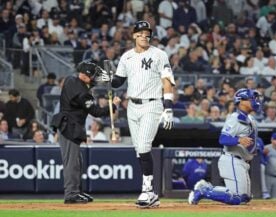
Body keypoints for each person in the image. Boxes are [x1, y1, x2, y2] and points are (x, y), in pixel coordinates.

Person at [102, 20, 175, 208]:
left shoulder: (159, 54)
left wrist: (168, 107)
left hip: (152, 105)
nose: (144, 35)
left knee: (143, 146)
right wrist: (107, 77)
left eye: (147, 33)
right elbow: (118, 81)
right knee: (139, 150)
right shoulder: (126, 57)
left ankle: (147, 191)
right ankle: (152, 195)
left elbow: (167, 81)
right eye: (140, 33)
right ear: (134, 35)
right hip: (132, 107)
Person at [51, 61, 121, 204]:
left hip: (70, 126)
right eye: (93, 75)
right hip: (69, 127)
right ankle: (71, 194)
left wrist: (102, 81)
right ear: (84, 75)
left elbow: (90, 85)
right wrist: (112, 105)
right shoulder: (81, 92)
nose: (95, 78)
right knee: (72, 163)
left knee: (77, 161)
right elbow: (96, 112)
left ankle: (77, 191)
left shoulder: (71, 80)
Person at [188, 88, 261, 205]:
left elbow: (250, 139)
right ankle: (203, 190)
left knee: (245, 198)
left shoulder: (250, 119)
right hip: (232, 159)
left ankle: (206, 188)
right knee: (236, 197)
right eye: (251, 98)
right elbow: (223, 139)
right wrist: (239, 140)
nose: (255, 101)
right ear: (241, 101)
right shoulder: (234, 118)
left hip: (243, 162)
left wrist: (255, 147)